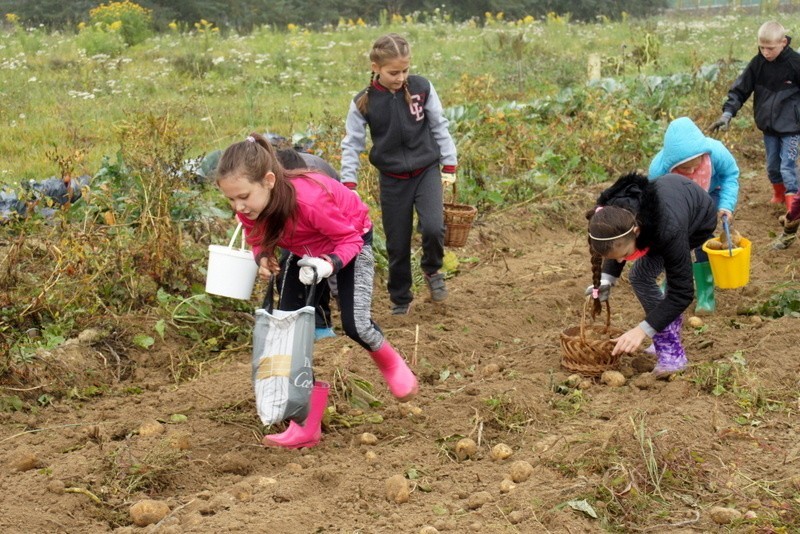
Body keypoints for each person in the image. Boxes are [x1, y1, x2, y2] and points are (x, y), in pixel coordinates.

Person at [215, 133, 418, 449]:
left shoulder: (308, 200)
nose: (238, 206)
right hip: (303, 251)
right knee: (292, 333)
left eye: (242, 196)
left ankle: (391, 363)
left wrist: (330, 264)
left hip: (349, 242)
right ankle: (306, 424)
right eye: (230, 199)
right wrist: (262, 257)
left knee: (355, 324)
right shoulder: (248, 207)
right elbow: (256, 237)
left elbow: (349, 239)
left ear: (268, 181)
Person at [340, 33, 458, 315]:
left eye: (405, 70)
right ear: (375, 67)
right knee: (397, 243)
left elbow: (439, 125)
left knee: (433, 226)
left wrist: (449, 163)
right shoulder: (363, 102)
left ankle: (432, 271)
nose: (400, 77)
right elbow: (352, 143)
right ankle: (401, 299)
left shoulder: (421, 88)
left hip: (426, 170)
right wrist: (349, 182)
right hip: (392, 179)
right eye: (394, 72)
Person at [585, 172, 716, 378]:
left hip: (697, 220)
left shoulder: (669, 231)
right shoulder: (613, 216)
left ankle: (672, 354)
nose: (621, 262)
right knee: (639, 275)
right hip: (662, 213)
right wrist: (606, 279)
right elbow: (616, 245)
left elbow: (681, 292)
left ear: (636, 231)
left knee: (640, 276)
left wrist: (643, 330)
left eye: (625, 255)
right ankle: (666, 327)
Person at [649, 116, 740, 314]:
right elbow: (656, 202)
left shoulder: (715, 152)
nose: (691, 170)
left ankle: (706, 295)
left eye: (695, 165)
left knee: (703, 241)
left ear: (703, 154)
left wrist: (726, 205)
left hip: (710, 192)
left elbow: (730, 175)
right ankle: (672, 283)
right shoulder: (659, 170)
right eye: (684, 168)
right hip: (676, 201)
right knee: (673, 241)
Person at [709, 20, 800, 210]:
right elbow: (740, 90)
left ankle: (794, 205)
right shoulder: (758, 64)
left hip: (792, 127)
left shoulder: (795, 63)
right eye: (762, 47)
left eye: (770, 48)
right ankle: (779, 194)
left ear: (783, 42)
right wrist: (727, 114)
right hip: (768, 127)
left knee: (787, 166)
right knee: (773, 167)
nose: (766, 52)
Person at [274, 145, 341, 340]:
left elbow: (339, 245)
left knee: (318, 265)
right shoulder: (272, 183)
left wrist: (341, 296)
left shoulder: (320, 187)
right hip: (293, 219)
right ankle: (289, 323)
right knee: (289, 264)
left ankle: (321, 324)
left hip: (325, 217)